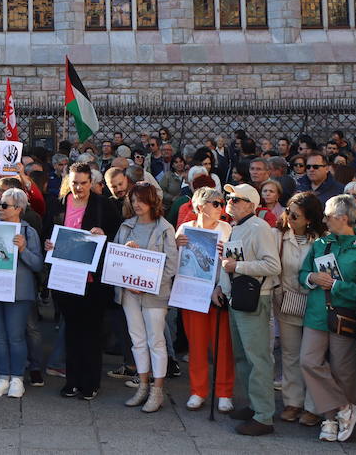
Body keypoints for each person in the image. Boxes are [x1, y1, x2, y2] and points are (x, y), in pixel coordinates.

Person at [298, 193, 356, 443]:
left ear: (343, 218)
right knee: (308, 361)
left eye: (328, 216)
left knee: (344, 371)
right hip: (316, 314)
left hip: (345, 315)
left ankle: (333, 420)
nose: (324, 220)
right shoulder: (321, 244)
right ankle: (342, 409)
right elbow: (303, 273)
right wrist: (311, 278)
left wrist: (335, 285)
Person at [45, 161, 122, 401]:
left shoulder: (103, 205)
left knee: (91, 332)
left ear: (92, 183)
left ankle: (90, 383)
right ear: (68, 181)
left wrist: (104, 236)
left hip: (92, 281)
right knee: (71, 331)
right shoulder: (58, 203)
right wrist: (48, 244)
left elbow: (117, 235)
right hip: (65, 278)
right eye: (75, 183)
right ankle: (72, 381)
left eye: (83, 183)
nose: (79, 188)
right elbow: (48, 232)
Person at [220, 184, 282, 436]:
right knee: (243, 356)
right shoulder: (239, 227)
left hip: (255, 297)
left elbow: (272, 265)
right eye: (230, 197)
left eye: (236, 199)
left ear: (250, 204)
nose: (230, 201)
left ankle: (264, 416)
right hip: (240, 297)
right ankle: (254, 406)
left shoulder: (259, 227)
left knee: (257, 358)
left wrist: (239, 267)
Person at [0, 187, 43, 400]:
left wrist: (23, 250)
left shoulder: (28, 231)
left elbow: (38, 264)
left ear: (19, 209)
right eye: (0, 204)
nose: (0, 208)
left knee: (15, 336)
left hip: (18, 292)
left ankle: (18, 378)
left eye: (5, 205)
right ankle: (3, 376)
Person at [113, 183, 176, 414]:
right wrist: (126, 251)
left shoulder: (165, 228)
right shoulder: (126, 226)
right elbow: (116, 257)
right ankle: (143, 385)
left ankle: (157, 390)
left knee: (155, 340)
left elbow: (171, 265)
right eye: (133, 199)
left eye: (141, 199)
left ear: (152, 201)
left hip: (154, 294)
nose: (137, 204)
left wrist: (147, 284)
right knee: (137, 339)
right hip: (129, 292)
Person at [176, 185, 234, 411]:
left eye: (221, 203)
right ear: (201, 207)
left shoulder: (227, 228)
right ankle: (197, 390)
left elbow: (233, 261)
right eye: (216, 203)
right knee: (197, 346)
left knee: (222, 346)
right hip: (192, 293)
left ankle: (224, 392)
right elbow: (176, 260)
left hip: (218, 293)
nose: (222, 207)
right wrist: (176, 244)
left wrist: (225, 257)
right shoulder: (185, 228)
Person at [276, 191, 325, 425]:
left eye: (295, 215)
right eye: (288, 211)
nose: (289, 217)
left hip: (314, 303)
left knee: (313, 357)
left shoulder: (322, 241)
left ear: (309, 219)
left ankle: (313, 405)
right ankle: (292, 401)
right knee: (290, 354)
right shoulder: (278, 236)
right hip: (287, 301)